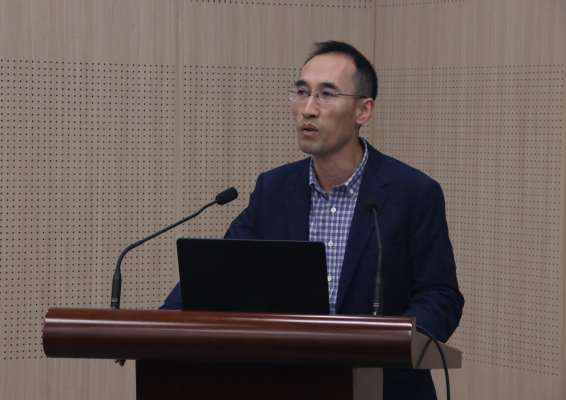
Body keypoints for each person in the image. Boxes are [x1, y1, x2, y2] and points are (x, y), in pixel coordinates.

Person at [160, 41, 464, 400]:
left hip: (385, 388)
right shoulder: (274, 189)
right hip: (290, 385)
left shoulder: (412, 192)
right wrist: (161, 328)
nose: (307, 109)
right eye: (302, 92)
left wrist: (393, 343)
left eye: (326, 95)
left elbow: (440, 295)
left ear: (363, 110)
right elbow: (220, 275)